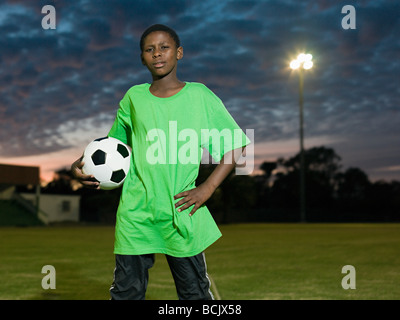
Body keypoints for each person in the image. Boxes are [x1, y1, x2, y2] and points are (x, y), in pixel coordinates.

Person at [71, 24, 250, 300]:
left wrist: (207, 187)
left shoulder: (199, 96)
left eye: (164, 47)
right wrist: (78, 166)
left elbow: (236, 145)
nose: (157, 53)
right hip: (136, 213)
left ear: (179, 52)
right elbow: (110, 149)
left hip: (181, 210)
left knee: (194, 296)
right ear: (142, 57)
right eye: (149, 49)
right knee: (125, 294)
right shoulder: (134, 97)